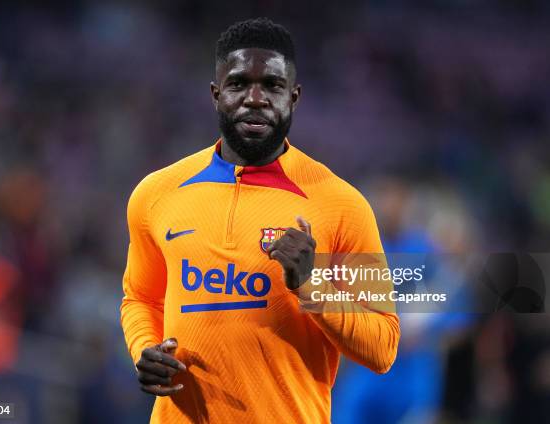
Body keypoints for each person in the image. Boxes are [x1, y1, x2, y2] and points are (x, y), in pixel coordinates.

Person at [120, 17, 400, 423]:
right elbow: (141, 298)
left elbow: (383, 347)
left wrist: (313, 285)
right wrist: (144, 349)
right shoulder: (156, 193)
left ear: (294, 97)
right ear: (216, 95)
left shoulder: (342, 205)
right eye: (237, 84)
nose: (255, 98)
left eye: (271, 85)